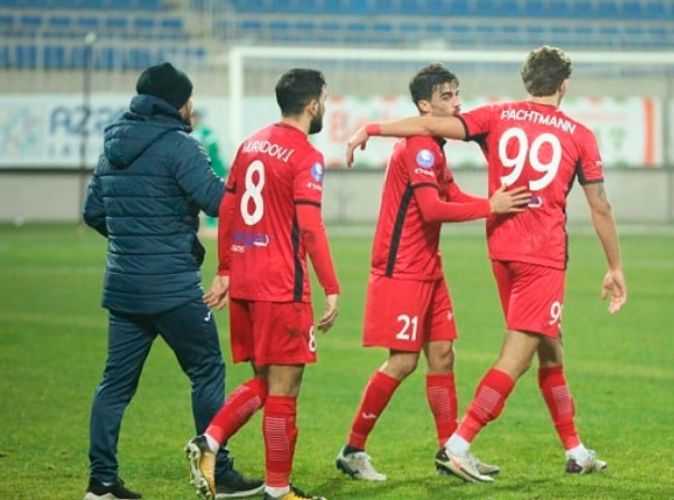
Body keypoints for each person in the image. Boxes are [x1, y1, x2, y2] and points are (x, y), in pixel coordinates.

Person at [346, 46, 628, 483]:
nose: (456, 101)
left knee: (550, 346)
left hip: (501, 248)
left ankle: (575, 449)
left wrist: (372, 127)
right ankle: (457, 446)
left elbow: (428, 125)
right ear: (564, 85)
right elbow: (601, 206)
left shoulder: (498, 116)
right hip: (541, 255)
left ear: (527, 81)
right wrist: (615, 267)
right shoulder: (579, 135)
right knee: (516, 357)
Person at [334, 63, 531, 482]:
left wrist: (495, 202)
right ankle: (353, 449)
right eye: (446, 96)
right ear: (425, 106)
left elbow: (451, 192)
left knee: (443, 355)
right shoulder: (419, 147)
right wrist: (490, 207)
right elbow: (432, 209)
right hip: (401, 268)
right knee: (403, 362)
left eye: (457, 93)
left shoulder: (434, 146)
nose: (457, 102)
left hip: (428, 266)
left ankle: (450, 452)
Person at [82, 62, 261, 499]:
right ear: (177, 103)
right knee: (206, 370)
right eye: (189, 100)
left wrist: (133, 241)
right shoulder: (181, 147)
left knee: (114, 385)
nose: (192, 108)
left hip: (124, 288)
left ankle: (101, 483)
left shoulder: (113, 145)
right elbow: (221, 204)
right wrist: (246, 178)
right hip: (174, 288)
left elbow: (94, 213)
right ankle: (218, 470)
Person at [185, 68, 340, 500]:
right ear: (313, 104)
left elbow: (228, 208)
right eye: (325, 100)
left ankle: (210, 440)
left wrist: (226, 269)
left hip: (247, 281)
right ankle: (277, 489)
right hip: (281, 285)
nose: (325, 107)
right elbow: (310, 227)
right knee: (285, 388)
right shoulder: (305, 155)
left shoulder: (251, 144)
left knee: (266, 381)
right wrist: (331, 286)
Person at [191, 108, 228, 233]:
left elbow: (214, 155)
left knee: (212, 199)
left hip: (209, 171)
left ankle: (211, 226)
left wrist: (219, 171)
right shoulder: (184, 133)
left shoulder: (206, 133)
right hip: (194, 173)